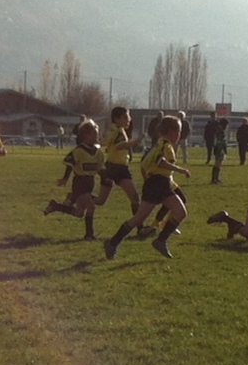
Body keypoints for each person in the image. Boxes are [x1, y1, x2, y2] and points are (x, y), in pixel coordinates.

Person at [104, 115, 191, 260]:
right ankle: (160, 241)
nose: (179, 135)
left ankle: (113, 243)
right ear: (172, 132)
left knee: (139, 219)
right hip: (159, 184)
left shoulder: (158, 144)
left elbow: (144, 165)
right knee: (179, 212)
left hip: (156, 183)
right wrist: (180, 170)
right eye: (179, 131)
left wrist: (148, 180)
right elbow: (160, 162)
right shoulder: (166, 145)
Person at [44, 120, 105, 240]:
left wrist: (108, 178)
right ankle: (89, 234)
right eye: (94, 134)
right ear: (85, 135)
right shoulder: (79, 151)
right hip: (80, 183)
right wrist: (65, 179)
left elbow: (101, 169)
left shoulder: (98, 153)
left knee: (79, 213)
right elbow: (70, 164)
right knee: (91, 207)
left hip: (90, 183)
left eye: (97, 134)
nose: (97, 136)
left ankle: (56, 206)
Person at [93, 107, 142, 217]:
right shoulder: (117, 131)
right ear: (116, 119)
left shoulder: (119, 130)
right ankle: (77, 198)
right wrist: (136, 141)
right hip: (113, 168)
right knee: (101, 200)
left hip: (119, 168)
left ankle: (138, 224)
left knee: (134, 197)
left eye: (129, 117)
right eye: (126, 117)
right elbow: (119, 146)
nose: (129, 119)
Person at [210, 117, 229, 184]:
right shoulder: (220, 130)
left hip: (218, 148)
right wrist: (224, 148)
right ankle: (215, 179)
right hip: (219, 148)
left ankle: (216, 178)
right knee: (218, 163)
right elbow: (220, 140)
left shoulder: (218, 129)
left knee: (218, 163)